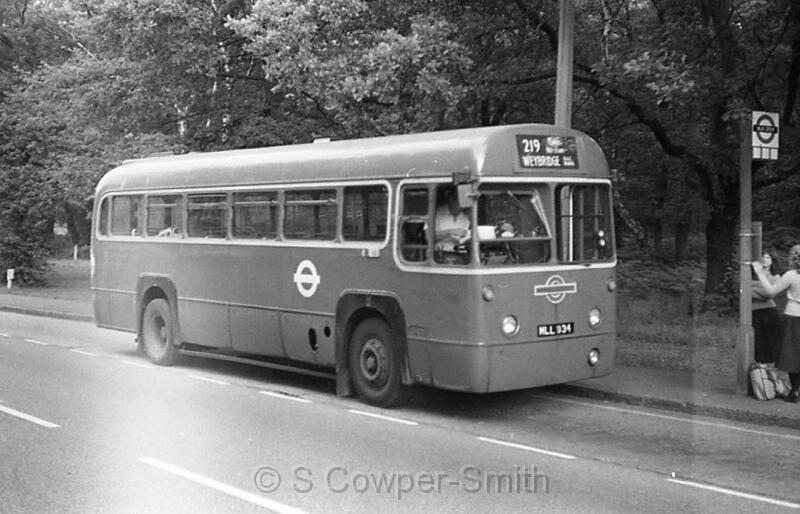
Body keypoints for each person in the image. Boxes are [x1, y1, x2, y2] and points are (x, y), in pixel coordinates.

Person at [753, 245, 800, 403]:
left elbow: (771, 291)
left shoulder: (791, 275)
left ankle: (795, 390)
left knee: (793, 354)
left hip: (793, 315)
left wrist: (760, 273)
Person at [751, 252, 781, 365]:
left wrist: (751, 289)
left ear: (773, 260)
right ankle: (761, 367)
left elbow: (770, 294)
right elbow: (742, 290)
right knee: (759, 341)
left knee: (773, 340)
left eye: (768, 257)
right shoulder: (752, 274)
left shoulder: (775, 276)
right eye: (763, 257)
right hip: (754, 311)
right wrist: (762, 291)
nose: (765, 259)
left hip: (769, 311)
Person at [434, 186, 471, 260]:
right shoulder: (437, 213)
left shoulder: (466, 219)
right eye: (459, 203)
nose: (461, 207)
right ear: (451, 199)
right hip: (441, 255)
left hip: (462, 255)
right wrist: (451, 232)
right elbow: (428, 236)